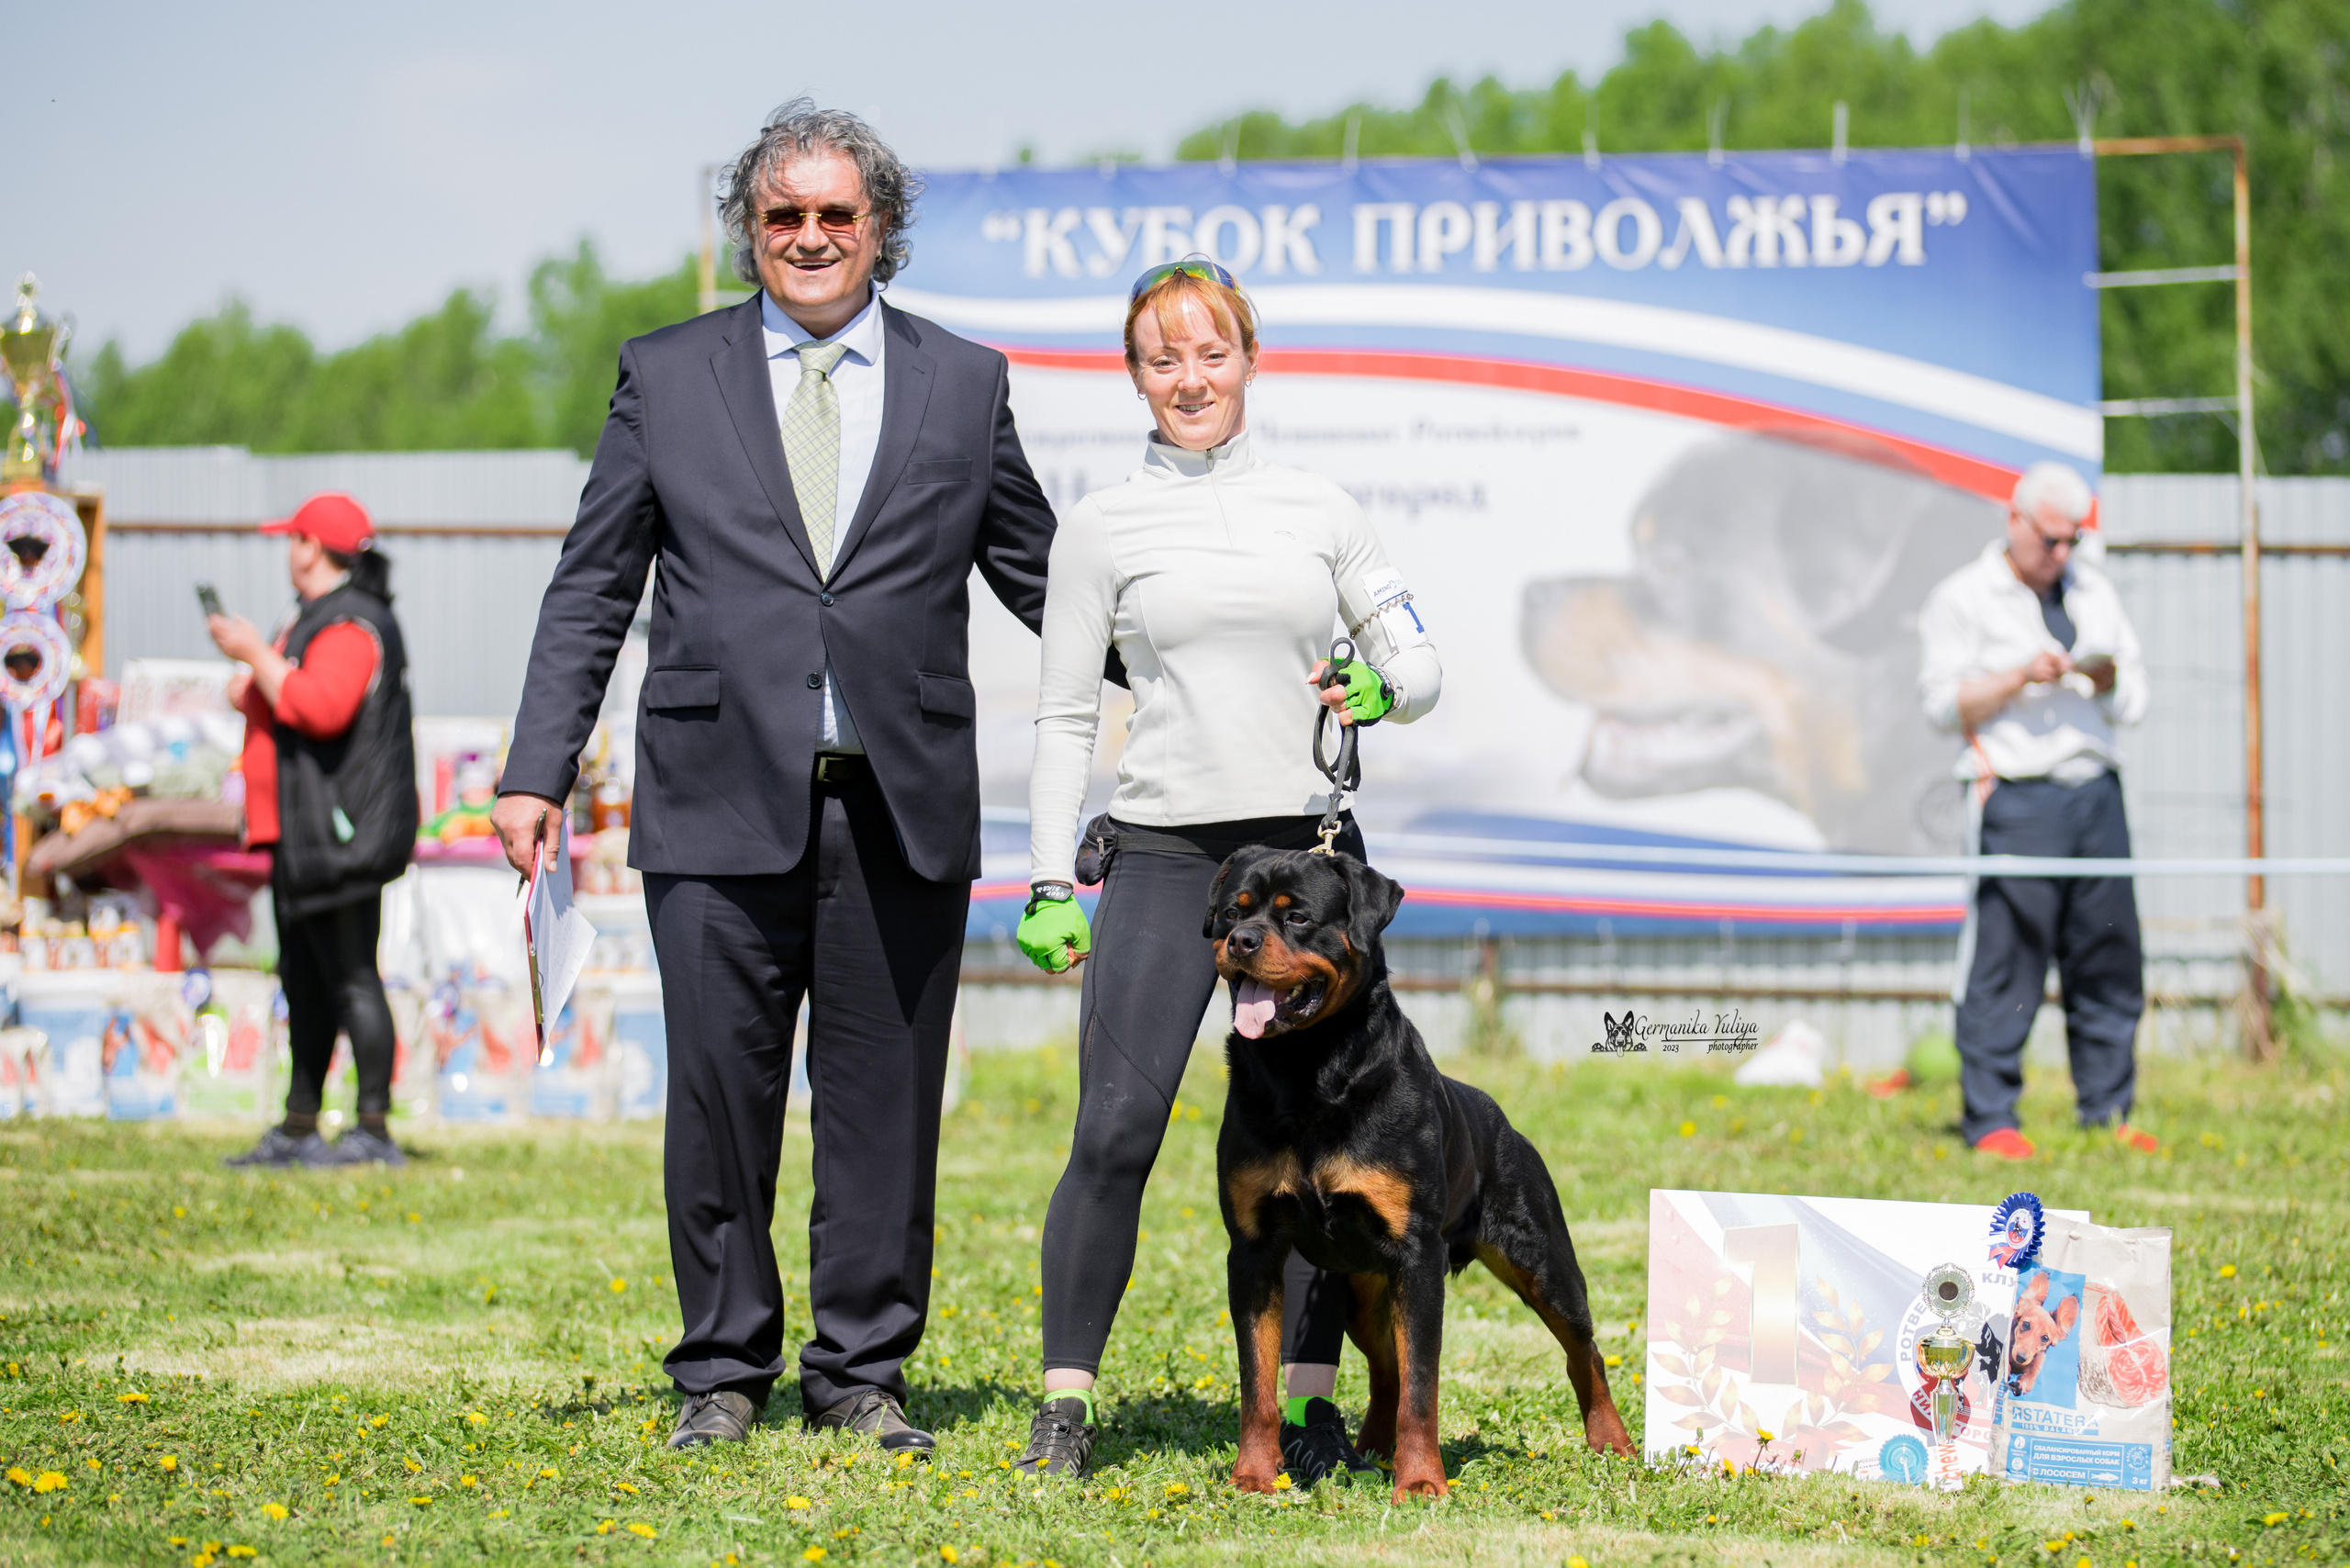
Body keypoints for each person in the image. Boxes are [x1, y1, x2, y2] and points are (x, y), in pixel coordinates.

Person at [491, 100, 1064, 1456]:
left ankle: (862, 1372)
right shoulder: (665, 374)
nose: (810, 236)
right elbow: (594, 585)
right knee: (718, 1103)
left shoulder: (963, 384)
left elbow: (1053, 581)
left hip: (900, 805)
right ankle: (721, 1375)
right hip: (711, 795)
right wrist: (536, 770)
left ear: (883, 232)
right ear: (750, 234)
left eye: (836, 215)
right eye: (782, 216)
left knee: (884, 1113)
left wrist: (1201, 661)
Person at [1011, 258, 1442, 1482]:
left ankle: (1306, 1408)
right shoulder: (1100, 526)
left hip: (1307, 860)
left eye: (1213, 353)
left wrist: (1379, 687)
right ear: (1134, 374)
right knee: (1115, 1129)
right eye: (1163, 358)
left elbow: (1418, 666)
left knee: (1318, 1149)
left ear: (1249, 358)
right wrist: (1050, 879)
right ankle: (1065, 1408)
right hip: (1164, 859)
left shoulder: (1323, 508)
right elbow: (1057, 722)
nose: (1190, 378)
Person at [1918, 462, 2155, 1160]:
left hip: (2096, 792)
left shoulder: (2097, 592)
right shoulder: (1962, 597)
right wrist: (2019, 676)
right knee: (2008, 959)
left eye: (2071, 541)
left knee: (2108, 953)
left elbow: (2136, 700)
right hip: (2016, 795)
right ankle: (1992, 1118)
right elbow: (1940, 706)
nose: (2061, 554)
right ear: (2014, 521)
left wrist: (2104, 680)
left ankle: (2108, 1109)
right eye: (2050, 539)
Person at [211, 491, 418, 1169]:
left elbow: (318, 706)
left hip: (342, 835)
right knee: (303, 978)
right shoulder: (309, 617)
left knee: (353, 976)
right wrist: (253, 670)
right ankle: (300, 1127)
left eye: (293, 539)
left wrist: (252, 653)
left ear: (313, 547)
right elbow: (271, 695)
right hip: (302, 834)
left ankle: (373, 1129)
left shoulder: (353, 623)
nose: (287, 552)